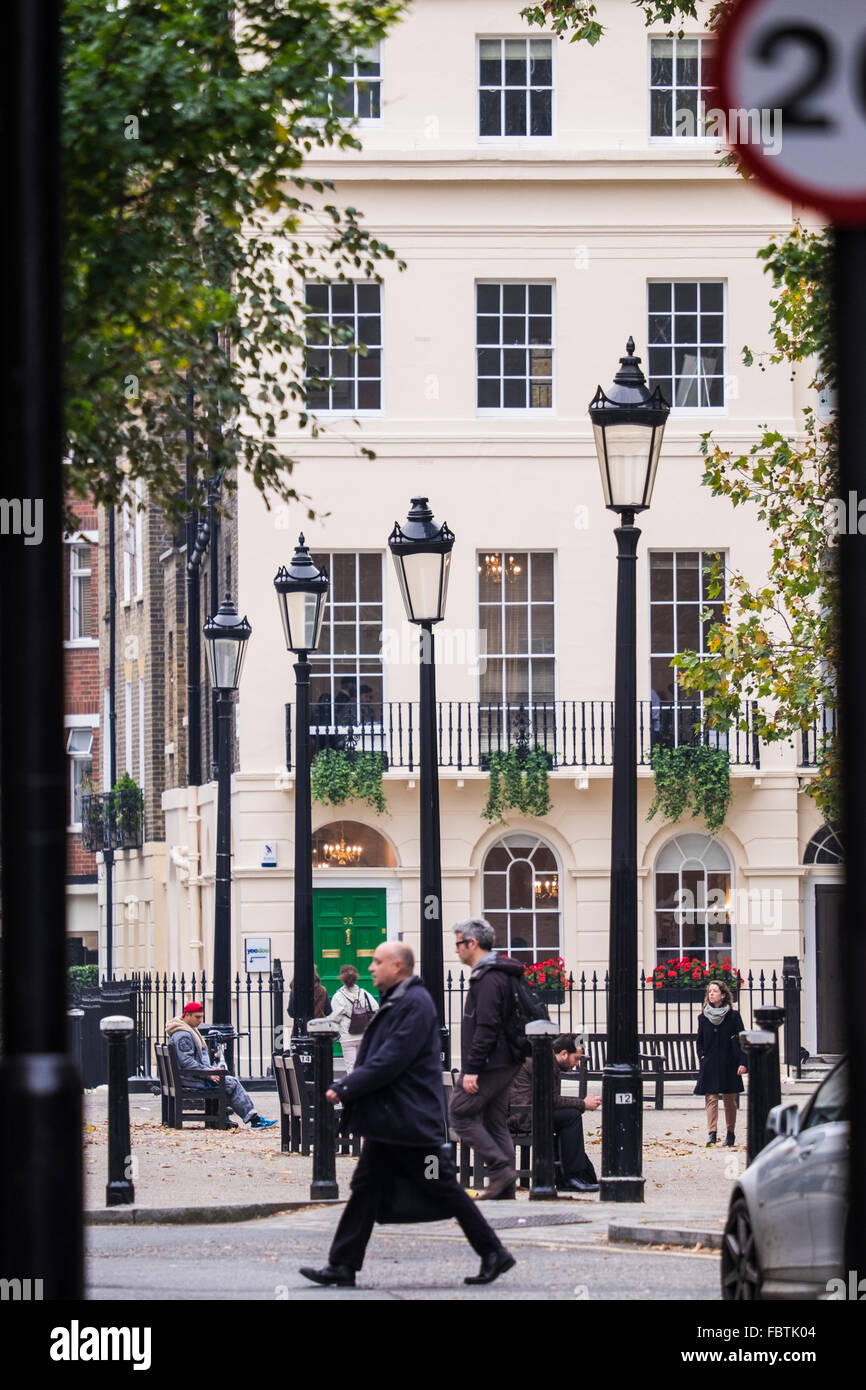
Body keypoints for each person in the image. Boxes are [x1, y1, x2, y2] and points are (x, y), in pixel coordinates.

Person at [299, 941, 515, 1289]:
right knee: (366, 1188)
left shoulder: (414, 1003)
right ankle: (342, 1265)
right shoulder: (401, 1000)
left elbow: (392, 1059)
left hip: (409, 1119)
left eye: (377, 961)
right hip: (394, 1120)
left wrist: (347, 1086)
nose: (370, 968)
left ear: (398, 966)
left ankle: (493, 1251)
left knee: (442, 1185)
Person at [448, 918, 524, 1200]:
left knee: (459, 1111)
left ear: (472, 943)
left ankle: (500, 1169)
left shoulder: (489, 977)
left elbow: (487, 1026)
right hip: (503, 1060)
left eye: (458, 943)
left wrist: (472, 1068)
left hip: (492, 1062)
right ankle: (506, 1191)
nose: (456, 950)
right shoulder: (496, 973)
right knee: (495, 1121)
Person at [508, 1033, 602, 1192]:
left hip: (520, 1113)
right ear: (564, 1053)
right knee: (571, 1117)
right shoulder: (545, 1062)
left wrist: (579, 1103)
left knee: (568, 1116)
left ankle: (575, 1175)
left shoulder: (542, 1057)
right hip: (524, 1117)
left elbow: (549, 1100)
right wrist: (583, 1104)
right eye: (576, 1059)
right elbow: (551, 1101)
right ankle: (571, 1176)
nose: (577, 1064)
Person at [166, 1002, 276, 1129]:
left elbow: (189, 1061)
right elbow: (187, 1062)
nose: (200, 1021)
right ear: (187, 1015)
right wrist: (209, 1074)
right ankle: (253, 1119)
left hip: (190, 1077)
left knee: (227, 1081)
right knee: (231, 1083)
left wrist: (210, 1069)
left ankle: (225, 1116)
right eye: (197, 1017)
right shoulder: (183, 1034)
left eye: (201, 1017)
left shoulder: (186, 1030)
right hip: (191, 1079)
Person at [694, 980, 748, 1146]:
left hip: (729, 1062)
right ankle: (712, 1133)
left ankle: (730, 1133)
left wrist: (743, 1062)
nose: (711, 994)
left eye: (715, 991)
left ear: (723, 995)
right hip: (710, 1063)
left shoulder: (733, 1016)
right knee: (711, 1098)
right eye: (709, 991)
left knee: (729, 1099)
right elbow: (700, 1041)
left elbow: (742, 1040)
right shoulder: (703, 1017)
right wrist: (702, 1057)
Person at [323, 963, 379, 1073]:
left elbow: (334, 1017)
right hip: (363, 1035)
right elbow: (375, 1009)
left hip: (347, 1036)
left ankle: (353, 1089)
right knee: (362, 1066)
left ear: (341, 978)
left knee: (351, 1067)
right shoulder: (364, 994)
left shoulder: (338, 996)